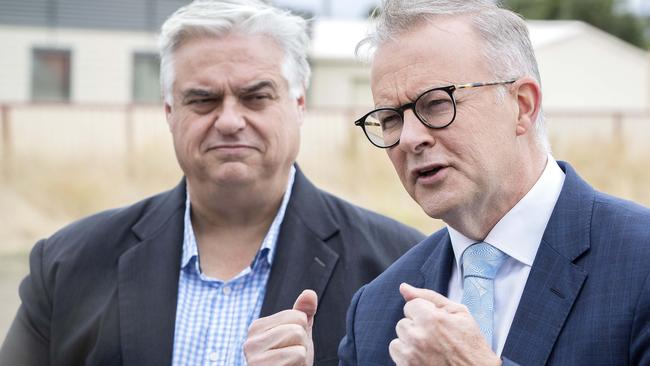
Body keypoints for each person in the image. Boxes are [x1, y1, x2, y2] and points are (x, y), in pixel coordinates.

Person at [0, 1, 424, 365]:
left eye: (255, 97)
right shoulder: (67, 266)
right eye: (203, 99)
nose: (229, 120)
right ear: (169, 111)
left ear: (298, 105)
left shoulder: (396, 270)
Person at [336, 0, 650, 365]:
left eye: (436, 104)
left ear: (522, 105)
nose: (409, 138)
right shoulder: (376, 311)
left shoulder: (638, 263)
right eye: (390, 118)